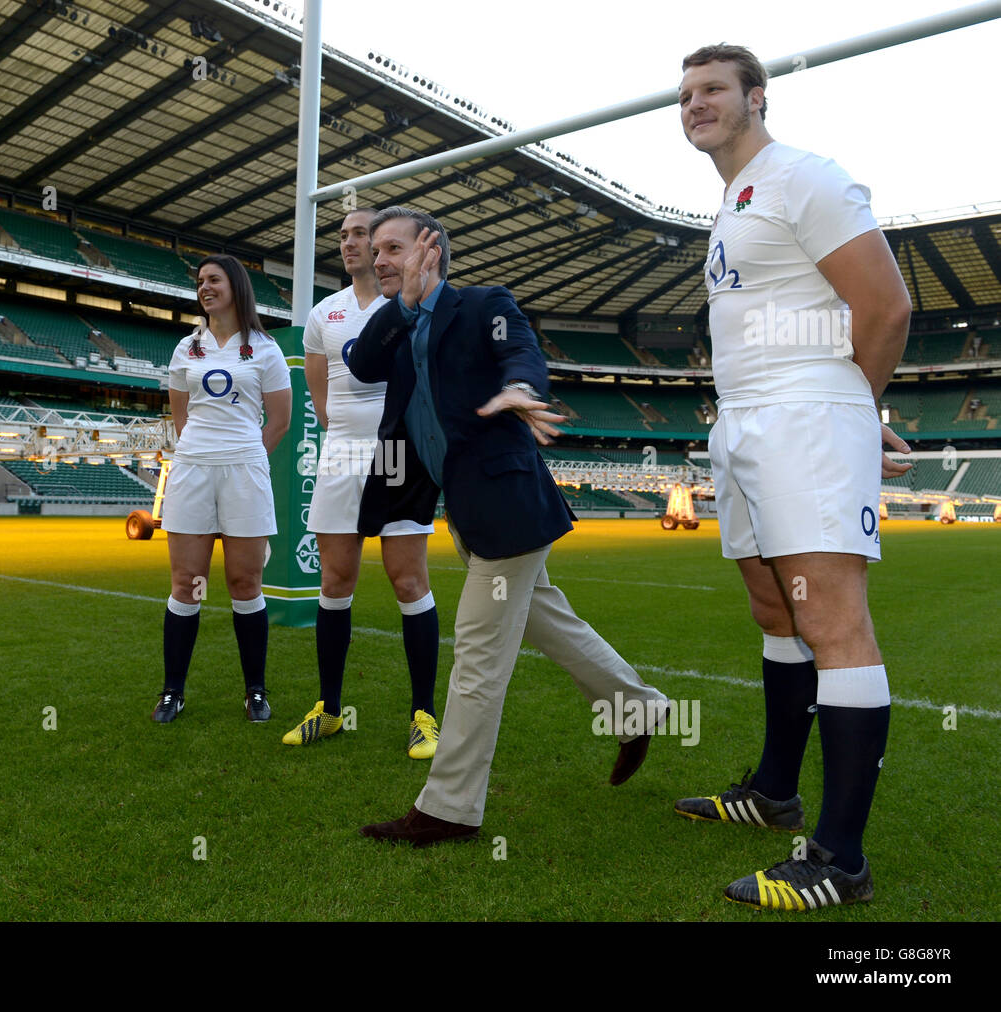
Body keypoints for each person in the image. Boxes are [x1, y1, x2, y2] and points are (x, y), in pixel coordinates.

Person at [675, 44, 912, 909]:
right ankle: (775, 792)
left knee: (833, 621)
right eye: (686, 94)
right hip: (743, 419)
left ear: (756, 97)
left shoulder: (804, 176)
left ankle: (840, 860)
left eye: (712, 90)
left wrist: (850, 415)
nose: (694, 104)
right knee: (774, 606)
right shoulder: (731, 200)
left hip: (804, 415)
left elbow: (885, 307)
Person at [350, 206, 669, 847]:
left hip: (511, 509)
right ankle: (641, 711)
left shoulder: (483, 305)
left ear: (430, 248)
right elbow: (360, 364)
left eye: (392, 247)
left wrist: (520, 385)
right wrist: (405, 306)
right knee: (551, 622)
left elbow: (517, 349)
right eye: (372, 248)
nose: (376, 258)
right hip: (466, 512)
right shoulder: (395, 321)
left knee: (477, 653)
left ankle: (449, 807)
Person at [283, 206, 441, 758]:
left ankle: (424, 716)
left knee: (407, 581)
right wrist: (346, 443)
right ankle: (329, 710)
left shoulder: (413, 303)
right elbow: (321, 400)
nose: (353, 245)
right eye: (346, 236)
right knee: (335, 581)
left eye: (364, 236)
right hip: (342, 453)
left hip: (398, 453)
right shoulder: (324, 314)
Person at [154, 254, 292, 723]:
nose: (204, 288)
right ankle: (173, 691)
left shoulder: (266, 349)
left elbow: (280, 421)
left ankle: (255, 691)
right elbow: (180, 416)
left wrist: (246, 457)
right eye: (200, 282)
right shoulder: (185, 348)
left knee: (244, 582)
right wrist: (202, 454)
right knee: (187, 585)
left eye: (213, 279)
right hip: (192, 469)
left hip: (245, 473)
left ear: (235, 285)